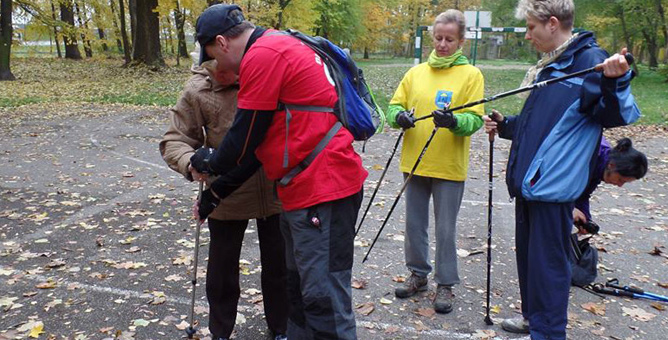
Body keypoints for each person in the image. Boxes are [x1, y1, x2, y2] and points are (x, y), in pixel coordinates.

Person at [189, 4, 367, 339]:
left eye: (211, 55)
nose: (214, 64)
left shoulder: (263, 55)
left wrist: (209, 162)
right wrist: (216, 192)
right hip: (304, 191)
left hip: (323, 190)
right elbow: (260, 146)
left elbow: (242, 138)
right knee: (298, 292)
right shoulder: (277, 46)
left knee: (324, 299)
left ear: (222, 43)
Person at [482, 0, 641, 339]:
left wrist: (617, 80)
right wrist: (507, 125)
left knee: (550, 269)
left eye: (531, 28)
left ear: (552, 24)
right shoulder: (551, 65)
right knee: (529, 263)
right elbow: (544, 124)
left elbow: (615, 115)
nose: (527, 36)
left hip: (553, 190)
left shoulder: (589, 62)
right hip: (530, 187)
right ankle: (531, 319)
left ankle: (548, 333)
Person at [159, 58, 288, 340]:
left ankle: (282, 327)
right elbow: (174, 139)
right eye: (221, 65)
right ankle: (221, 332)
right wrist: (190, 161)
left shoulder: (265, 77)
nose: (231, 71)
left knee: (280, 266)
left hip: (276, 188)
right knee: (222, 273)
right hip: (225, 194)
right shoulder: (197, 90)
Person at [387, 9, 484, 314]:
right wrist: (399, 118)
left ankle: (446, 283)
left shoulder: (471, 75)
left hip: (448, 165)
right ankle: (418, 274)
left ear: (461, 41)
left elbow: (475, 120)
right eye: (439, 38)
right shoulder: (415, 73)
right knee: (414, 225)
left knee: (445, 229)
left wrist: (455, 121)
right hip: (415, 161)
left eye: (449, 39)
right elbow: (393, 108)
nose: (443, 44)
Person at [573, 137, 648, 228]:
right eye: (621, 180)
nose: (620, 185)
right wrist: (569, 210)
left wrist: (585, 220)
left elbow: (583, 193)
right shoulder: (587, 158)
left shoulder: (603, 163)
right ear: (612, 165)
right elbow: (554, 186)